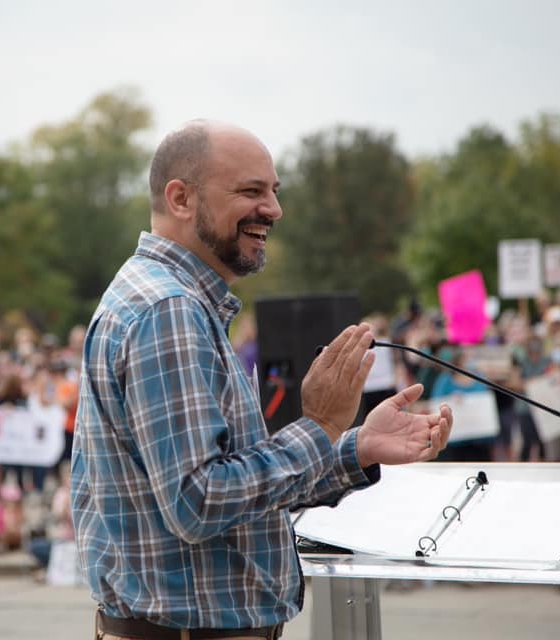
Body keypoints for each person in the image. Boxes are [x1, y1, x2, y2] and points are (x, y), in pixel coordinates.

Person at [73, 121, 453, 638]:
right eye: (250, 191)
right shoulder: (170, 310)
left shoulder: (166, 299)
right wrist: (318, 427)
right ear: (181, 198)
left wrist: (355, 448)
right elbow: (199, 502)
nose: (273, 210)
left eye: (273, 191)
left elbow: (234, 494)